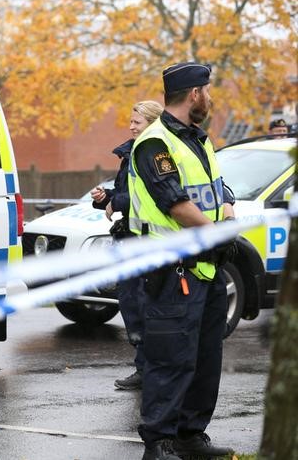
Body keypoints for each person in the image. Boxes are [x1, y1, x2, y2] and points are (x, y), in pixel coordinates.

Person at [128, 62, 236, 460]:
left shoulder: (199, 140)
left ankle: (191, 435)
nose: (210, 97)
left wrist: (227, 207)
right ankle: (159, 442)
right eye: (207, 90)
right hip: (173, 271)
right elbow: (175, 203)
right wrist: (216, 230)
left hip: (206, 267)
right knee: (170, 359)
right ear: (194, 94)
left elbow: (218, 189)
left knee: (205, 359)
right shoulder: (155, 143)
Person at [90, 100, 163, 391]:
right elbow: (127, 192)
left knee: (145, 307)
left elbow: (149, 196)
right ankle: (145, 368)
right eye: (131, 122)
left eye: (138, 123)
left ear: (153, 123)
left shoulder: (152, 153)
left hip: (147, 243)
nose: (131, 127)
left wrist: (115, 202)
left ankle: (151, 371)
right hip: (132, 238)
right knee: (133, 305)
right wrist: (105, 198)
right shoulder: (134, 153)